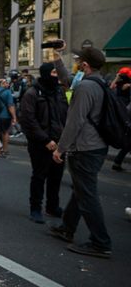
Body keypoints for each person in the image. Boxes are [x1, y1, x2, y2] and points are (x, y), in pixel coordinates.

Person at [49, 47, 112, 258]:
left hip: (85, 147)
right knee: (81, 190)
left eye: (78, 61)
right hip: (97, 145)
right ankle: (67, 227)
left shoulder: (85, 87)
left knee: (87, 195)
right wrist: (57, 57)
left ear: (85, 65)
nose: (75, 63)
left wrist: (60, 148)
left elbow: (74, 122)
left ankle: (100, 242)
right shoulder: (97, 82)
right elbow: (68, 80)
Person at [19, 61, 68, 224]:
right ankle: (35, 208)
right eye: (54, 73)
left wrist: (63, 140)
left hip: (59, 143)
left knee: (56, 176)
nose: (57, 76)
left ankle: (52, 207)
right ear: (46, 74)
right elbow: (28, 120)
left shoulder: (60, 92)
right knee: (39, 176)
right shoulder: (32, 93)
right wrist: (45, 140)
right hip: (40, 143)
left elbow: (65, 115)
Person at [110, 67, 131, 171]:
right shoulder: (125, 84)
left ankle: (117, 162)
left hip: (124, 112)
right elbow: (112, 87)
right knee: (128, 142)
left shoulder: (120, 83)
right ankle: (117, 162)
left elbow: (112, 86)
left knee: (128, 143)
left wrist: (117, 76)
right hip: (125, 112)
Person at [0, 78, 17, 158]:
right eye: (6, 83)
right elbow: (10, 105)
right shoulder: (8, 92)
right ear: (2, 84)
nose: (7, 84)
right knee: (5, 132)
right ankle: (5, 150)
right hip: (5, 116)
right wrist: (14, 117)